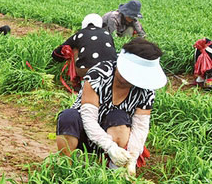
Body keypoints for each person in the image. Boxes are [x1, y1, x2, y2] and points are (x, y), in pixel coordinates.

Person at [54, 38, 167, 175]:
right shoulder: (99, 74)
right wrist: (110, 147)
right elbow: (88, 118)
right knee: (68, 117)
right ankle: (67, 168)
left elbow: (140, 127)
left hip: (117, 137)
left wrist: (132, 156)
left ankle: (115, 172)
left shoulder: (146, 90)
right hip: (84, 132)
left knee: (118, 116)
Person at [51, 14, 116, 90]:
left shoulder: (80, 34)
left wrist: (56, 58)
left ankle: (79, 82)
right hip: (111, 71)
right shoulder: (107, 34)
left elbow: (58, 52)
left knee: (74, 48)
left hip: (87, 70)